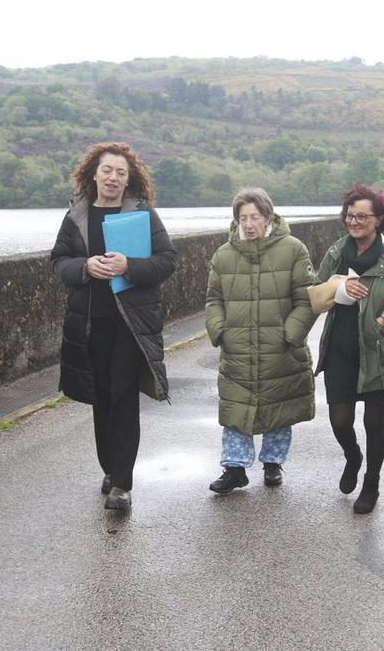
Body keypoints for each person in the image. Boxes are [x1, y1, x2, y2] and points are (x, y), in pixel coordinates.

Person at [50, 142, 176, 511]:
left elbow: (167, 260)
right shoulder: (76, 215)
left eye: (121, 172)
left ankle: (122, 483)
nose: (113, 178)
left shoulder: (142, 214)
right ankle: (110, 468)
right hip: (90, 323)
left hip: (130, 324)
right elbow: (58, 261)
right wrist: (85, 267)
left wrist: (129, 267)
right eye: (107, 170)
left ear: (129, 178)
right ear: (93, 173)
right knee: (100, 398)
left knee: (123, 398)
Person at [315, 184, 384, 514]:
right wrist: (337, 286)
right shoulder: (336, 253)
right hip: (340, 348)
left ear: (379, 220)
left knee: (375, 424)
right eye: (350, 215)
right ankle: (353, 456)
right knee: (340, 420)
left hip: (381, 353)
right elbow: (316, 293)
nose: (354, 221)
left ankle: (372, 482)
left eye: (362, 216)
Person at [205, 187, 318, 493]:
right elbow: (213, 299)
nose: (249, 223)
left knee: (278, 407)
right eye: (243, 218)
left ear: (268, 216)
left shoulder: (294, 249)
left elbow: (307, 300)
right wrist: (220, 330)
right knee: (235, 408)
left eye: (255, 216)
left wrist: (290, 335)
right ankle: (234, 468)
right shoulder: (223, 255)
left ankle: (272, 463)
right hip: (237, 348)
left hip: (280, 348)